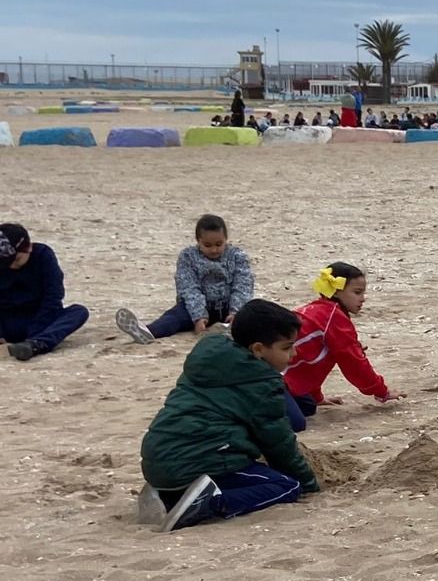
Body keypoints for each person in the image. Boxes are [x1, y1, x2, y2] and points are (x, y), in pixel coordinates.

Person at [139, 299, 321, 532]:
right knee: (286, 486)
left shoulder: (212, 361)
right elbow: (278, 442)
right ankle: (207, 503)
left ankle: (168, 494)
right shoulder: (260, 382)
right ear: (258, 349)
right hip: (196, 461)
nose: (294, 354)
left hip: (158, 460)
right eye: (286, 347)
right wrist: (308, 483)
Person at [283, 263, 401, 419]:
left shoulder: (319, 311)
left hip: (279, 372)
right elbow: (354, 363)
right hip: (274, 376)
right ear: (337, 292)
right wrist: (381, 391)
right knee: (297, 420)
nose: (363, 299)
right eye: (357, 292)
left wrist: (316, 397)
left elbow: (311, 358)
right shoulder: (334, 318)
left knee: (307, 406)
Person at [116, 214, 255, 343]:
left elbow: (243, 285)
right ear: (198, 241)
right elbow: (189, 288)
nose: (214, 250)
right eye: (207, 245)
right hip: (194, 307)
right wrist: (199, 316)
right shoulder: (188, 257)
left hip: (229, 307)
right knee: (174, 317)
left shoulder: (237, 256)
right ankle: (148, 332)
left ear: (226, 239)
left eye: (219, 244)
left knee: (254, 316)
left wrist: (236, 311)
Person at [0, 223, 90, 361]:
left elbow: (53, 296)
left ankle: (35, 345)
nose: (11, 266)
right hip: (7, 321)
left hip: (41, 319)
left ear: (28, 248)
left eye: (16, 260)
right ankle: (36, 343)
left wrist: (35, 332)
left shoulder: (43, 255)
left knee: (79, 311)